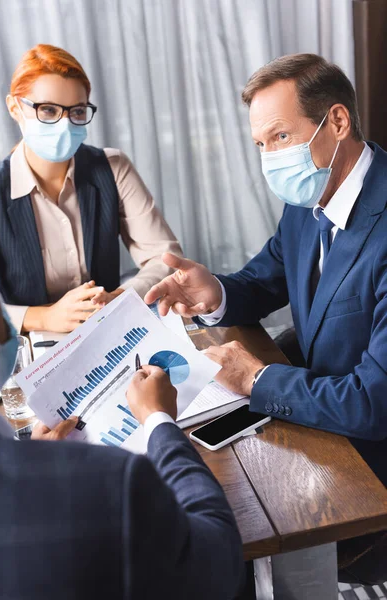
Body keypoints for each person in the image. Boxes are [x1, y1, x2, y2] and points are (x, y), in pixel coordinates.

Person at [145, 54, 387, 587]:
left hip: (368, 469)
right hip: (319, 423)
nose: (271, 158)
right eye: (261, 145)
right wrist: (217, 293)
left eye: (280, 137)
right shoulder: (312, 196)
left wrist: (255, 378)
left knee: (227, 533)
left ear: (338, 123)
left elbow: (374, 403)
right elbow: (266, 278)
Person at [0, 280, 244, 599]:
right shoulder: (116, 480)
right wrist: (158, 419)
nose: (0, 301)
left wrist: (39, 458)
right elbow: (218, 564)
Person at [0, 44, 182, 334]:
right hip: (29, 344)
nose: (65, 124)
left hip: (107, 332)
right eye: (48, 110)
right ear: (15, 108)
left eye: (77, 111)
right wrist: (43, 318)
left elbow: (165, 259)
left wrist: (119, 299)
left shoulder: (113, 167)